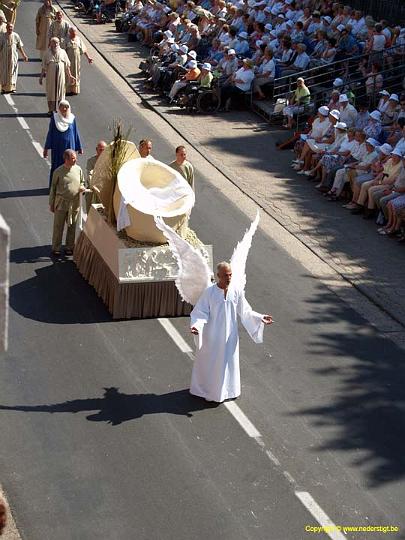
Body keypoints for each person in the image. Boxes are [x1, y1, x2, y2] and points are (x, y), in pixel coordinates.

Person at [189, 261, 273, 403]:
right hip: (213, 336)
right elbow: (200, 312)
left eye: (230, 275)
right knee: (212, 363)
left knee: (228, 362)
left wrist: (260, 317)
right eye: (226, 275)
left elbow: (245, 311)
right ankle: (208, 390)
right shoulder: (209, 293)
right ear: (218, 276)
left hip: (230, 337)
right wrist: (196, 326)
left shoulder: (236, 291)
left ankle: (228, 390)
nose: (229, 278)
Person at [49, 149, 85, 256]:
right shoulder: (58, 172)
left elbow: (82, 181)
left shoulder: (78, 169)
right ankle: (56, 247)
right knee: (58, 226)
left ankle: (69, 247)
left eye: (75, 158)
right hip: (61, 203)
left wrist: (82, 187)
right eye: (73, 158)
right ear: (66, 159)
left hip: (74, 204)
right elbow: (53, 188)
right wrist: (51, 203)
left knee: (72, 226)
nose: (75, 160)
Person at [43, 100, 83, 185]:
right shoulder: (55, 119)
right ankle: (55, 185)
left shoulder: (72, 119)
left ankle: (71, 184)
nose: (64, 109)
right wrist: (46, 148)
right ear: (59, 108)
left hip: (70, 147)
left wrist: (79, 147)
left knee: (70, 165)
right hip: (58, 148)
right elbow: (50, 133)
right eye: (62, 107)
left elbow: (75, 132)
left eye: (66, 107)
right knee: (57, 166)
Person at [40, 37, 75, 114]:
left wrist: (70, 75)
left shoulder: (63, 52)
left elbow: (67, 65)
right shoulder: (46, 53)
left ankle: (60, 110)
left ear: (59, 43)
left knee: (60, 92)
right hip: (50, 77)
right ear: (51, 43)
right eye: (54, 42)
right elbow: (43, 66)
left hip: (61, 77)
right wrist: (41, 77)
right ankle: (51, 110)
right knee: (51, 92)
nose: (56, 44)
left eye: (57, 43)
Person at [0, 22, 28, 94]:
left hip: (13, 57)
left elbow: (19, 46)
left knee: (13, 71)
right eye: (9, 27)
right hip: (4, 57)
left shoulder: (16, 35)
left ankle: (12, 87)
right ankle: (4, 88)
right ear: (6, 28)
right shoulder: (2, 36)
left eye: (11, 27)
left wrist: (24, 55)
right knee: (4, 71)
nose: (10, 29)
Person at [65, 26, 93, 95]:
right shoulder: (66, 40)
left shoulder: (79, 39)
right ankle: (67, 89)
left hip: (76, 60)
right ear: (69, 33)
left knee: (76, 73)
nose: (74, 34)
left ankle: (75, 89)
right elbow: (63, 51)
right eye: (72, 33)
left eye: (75, 33)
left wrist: (88, 58)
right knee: (68, 73)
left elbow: (83, 50)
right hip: (68, 60)